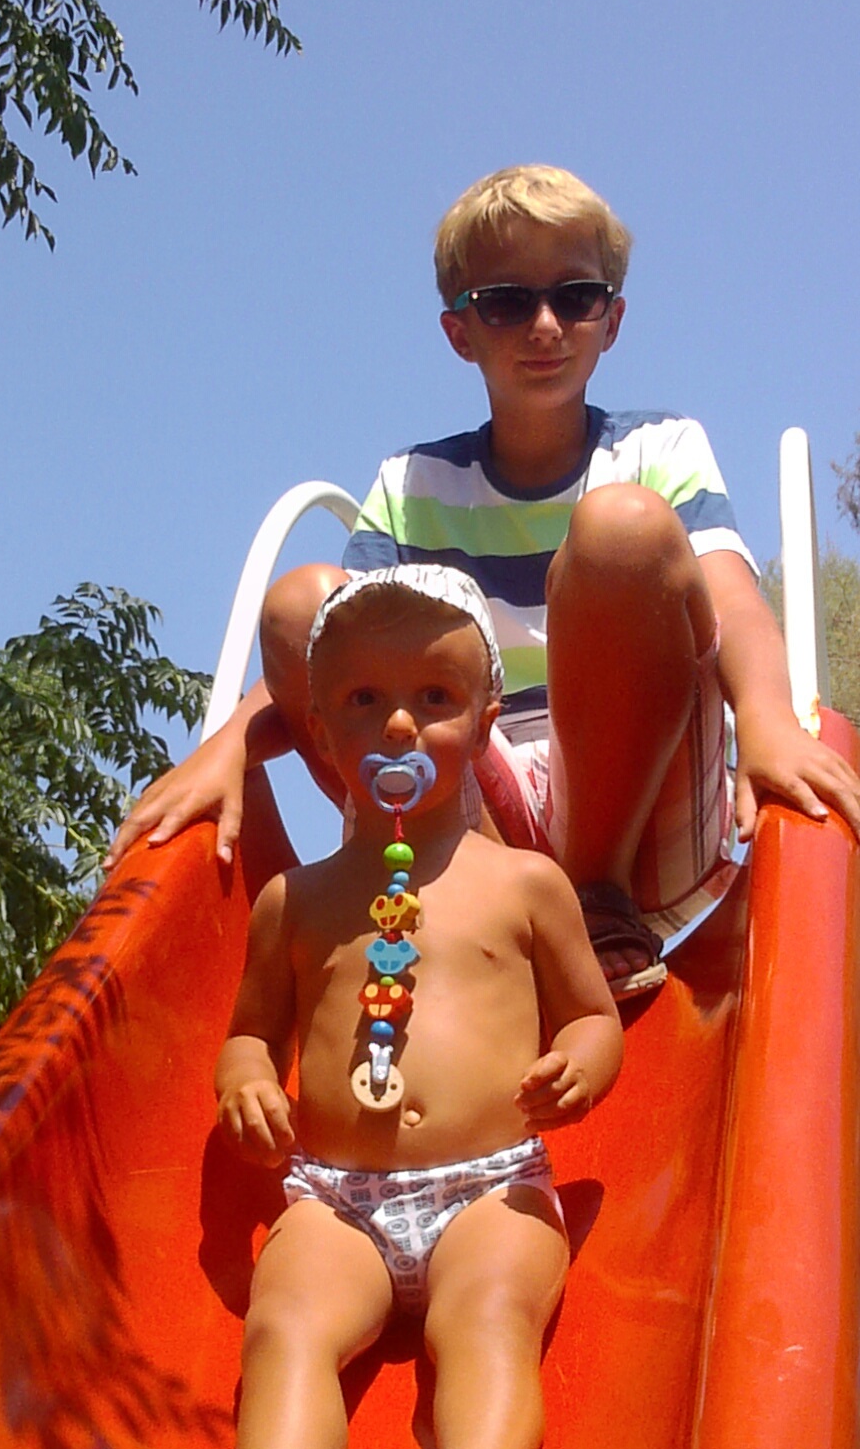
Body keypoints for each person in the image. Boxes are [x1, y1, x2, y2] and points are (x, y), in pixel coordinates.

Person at [106, 165, 860, 991]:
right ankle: (488, 903)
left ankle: (591, 899)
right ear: (460, 332)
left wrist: (768, 719)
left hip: (641, 820)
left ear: (611, 320)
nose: (545, 325)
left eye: (576, 297)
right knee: (302, 606)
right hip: (472, 817)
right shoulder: (413, 486)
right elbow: (331, 661)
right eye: (506, 303)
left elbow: (734, 605)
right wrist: (230, 747)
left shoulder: (661, 448)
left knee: (623, 528)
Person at [141, 568, 622, 1449]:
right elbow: (248, 1033)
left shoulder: (524, 885)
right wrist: (245, 1082)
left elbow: (595, 1015)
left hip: (489, 1185)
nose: (399, 723)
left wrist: (582, 1065)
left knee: (490, 1313)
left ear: (486, 722)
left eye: (434, 698)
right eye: (364, 700)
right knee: (286, 1325)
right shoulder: (296, 901)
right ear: (322, 731)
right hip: (335, 1198)